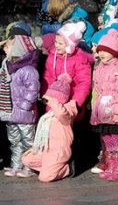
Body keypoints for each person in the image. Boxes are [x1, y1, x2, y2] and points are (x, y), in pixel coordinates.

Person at [90, 30, 118, 180]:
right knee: (106, 138)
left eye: (106, 51)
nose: (102, 54)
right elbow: (97, 91)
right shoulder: (100, 67)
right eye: (100, 51)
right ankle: (111, 165)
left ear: (113, 51)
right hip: (102, 110)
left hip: (113, 109)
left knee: (115, 139)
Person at [22, 74, 77, 182]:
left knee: (44, 178)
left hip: (58, 151)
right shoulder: (49, 114)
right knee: (26, 159)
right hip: (46, 150)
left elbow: (61, 113)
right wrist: (34, 148)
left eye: (51, 98)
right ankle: (50, 168)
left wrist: (51, 99)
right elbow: (43, 135)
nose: (48, 102)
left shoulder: (68, 112)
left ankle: (67, 169)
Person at [1, 35, 40, 178]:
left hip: (24, 114)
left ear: (19, 49)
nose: (5, 49)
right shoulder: (8, 67)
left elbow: (33, 90)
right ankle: (16, 165)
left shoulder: (28, 70)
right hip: (11, 113)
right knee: (14, 141)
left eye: (8, 46)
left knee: (28, 142)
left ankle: (29, 167)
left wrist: (25, 105)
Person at [41, 22, 93, 112]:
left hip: (70, 105)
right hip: (51, 105)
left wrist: (75, 103)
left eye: (60, 44)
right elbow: (48, 77)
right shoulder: (52, 56)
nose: (56, 45)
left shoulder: (80, 60)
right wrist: (45, 94)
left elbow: (84, 83)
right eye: (56, 42)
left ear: (70, 45)